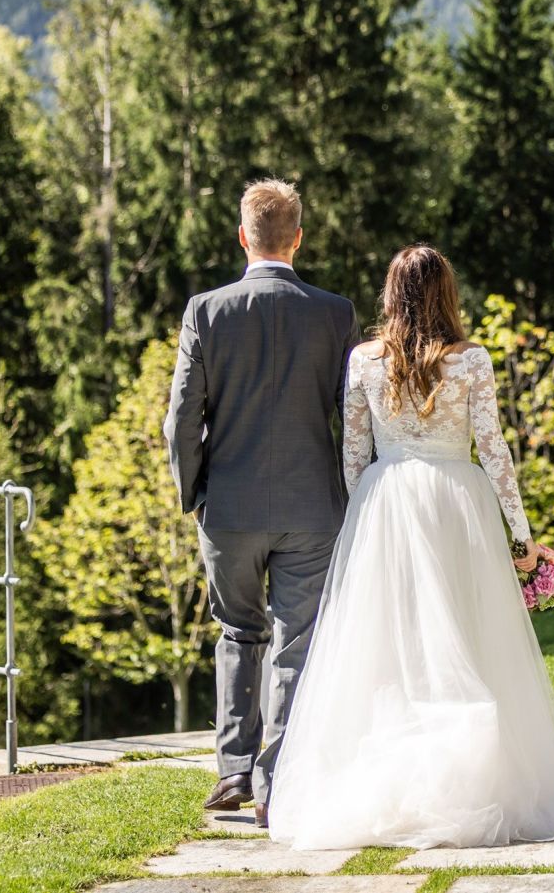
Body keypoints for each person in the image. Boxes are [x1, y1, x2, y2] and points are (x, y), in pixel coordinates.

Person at [267, 244, 554, 849]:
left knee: (392, 649)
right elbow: (494, 448)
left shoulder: (363, 361)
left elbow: (353, 450)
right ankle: (475, 785)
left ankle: (399, 784)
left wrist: (363, 515)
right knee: (470, 640)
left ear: (390, 294)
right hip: (459, 500)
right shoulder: (471, 359)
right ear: (445, 293)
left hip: (387, 502)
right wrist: (521, 534)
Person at [165, 178, 359, 827]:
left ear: (243, 235)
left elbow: (180, 419)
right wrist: (353, 494)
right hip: (313, 510)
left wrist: (193, 490)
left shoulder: (206, 310)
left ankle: (232, 768)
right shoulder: (335, 312)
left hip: (230, 507)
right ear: (297, 237)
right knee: (294, 642)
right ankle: (276, 777)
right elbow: (351, 417)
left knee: (237, 631)